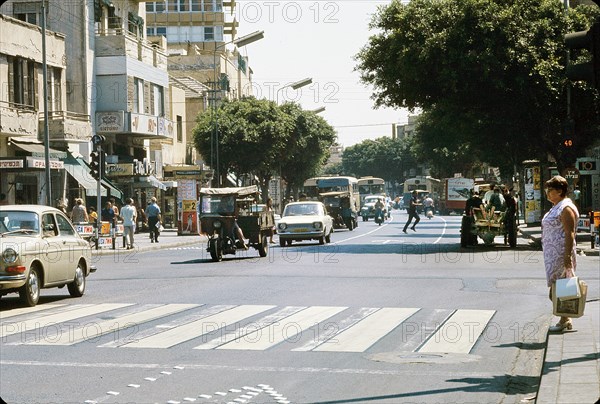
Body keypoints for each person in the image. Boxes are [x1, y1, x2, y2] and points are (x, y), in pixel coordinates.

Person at [541, 175, 580, 333]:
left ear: (559, 191)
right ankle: (566, 319)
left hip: (561, 254)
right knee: (558, 287)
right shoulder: (556, 206)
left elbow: (569, 233)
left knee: (559, 289)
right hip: (552, 256)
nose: (547, 193)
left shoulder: (566, 208)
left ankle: (565, 319)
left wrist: (567, 256)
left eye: (550, 190)